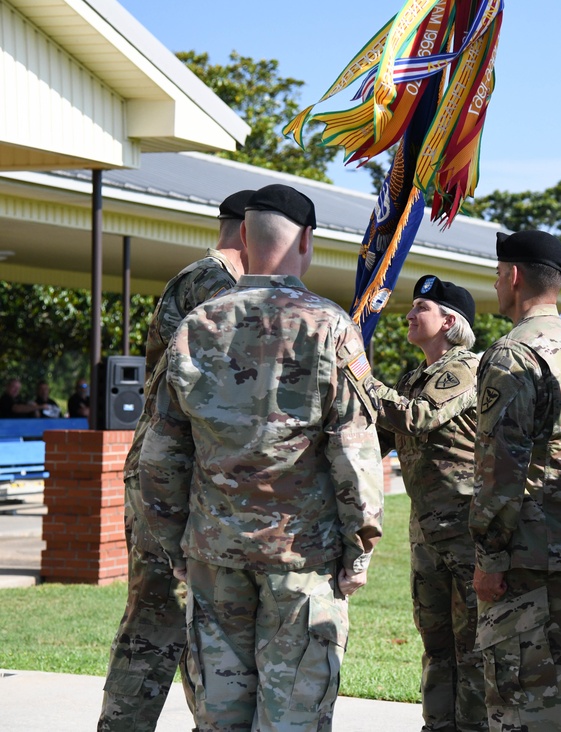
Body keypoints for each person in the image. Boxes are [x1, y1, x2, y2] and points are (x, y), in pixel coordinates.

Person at [139, 183, 384, 731]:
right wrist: (359, 548)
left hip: (214, 555)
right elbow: (354, 453)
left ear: (243, 237)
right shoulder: (329, 328)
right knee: (293, 718)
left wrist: (176, 543)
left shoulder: (196, 327)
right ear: (308, 243)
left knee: (218, 719)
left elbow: (159, 456)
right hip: (301, 562)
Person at [99, 189, 253, 731]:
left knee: (177, 618)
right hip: (173, 473)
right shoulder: (215, 285)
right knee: (169, 617)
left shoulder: (199, 280)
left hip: (169, 465)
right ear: (248, 229)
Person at [470, 230, 561, 732]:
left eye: (496, 275)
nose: (495, 285)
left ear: (513, 277)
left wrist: (490, 556)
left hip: (528, 559)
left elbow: (500, 467)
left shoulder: (513, 355)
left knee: (522, 709)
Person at [373, 274, 486, 732]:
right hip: (426, 533)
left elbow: (419, 417)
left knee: (472, 646)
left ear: (449, 322)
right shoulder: (413, 377)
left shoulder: (465, 368)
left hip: (465, 532)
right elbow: (381, 437)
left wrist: (362, 377)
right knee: (436, 644)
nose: (409, 314)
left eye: (421, 306)